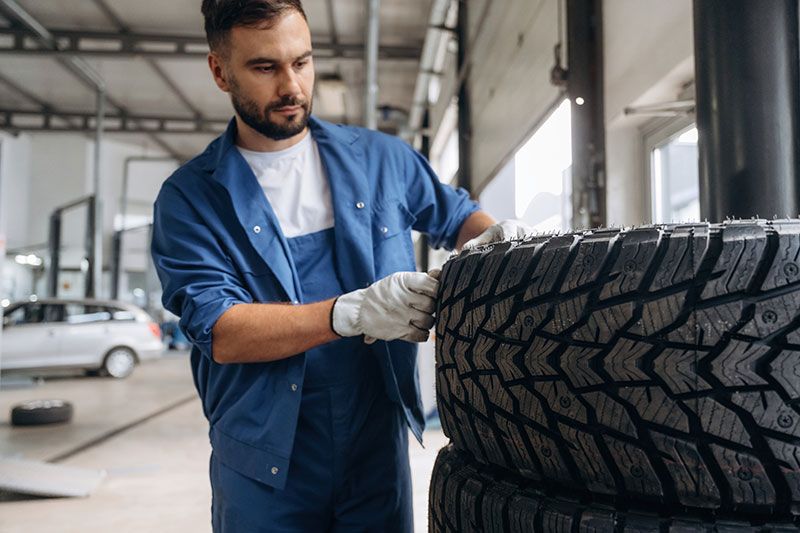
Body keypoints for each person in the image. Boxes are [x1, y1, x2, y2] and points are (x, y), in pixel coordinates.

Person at [150, 1, 530, 531]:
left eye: (302, 62)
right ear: (220, 71)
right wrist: (349, 313)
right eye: (265, 68)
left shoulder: (381, 160)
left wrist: (503, 243)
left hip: (375, 446)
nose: (292, 86)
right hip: (263, 465)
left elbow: (459, 217)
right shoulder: (191, 199)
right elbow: (219, 329)